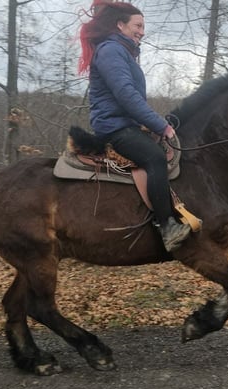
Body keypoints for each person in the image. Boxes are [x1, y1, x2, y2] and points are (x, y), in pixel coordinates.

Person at [79, 0, 191, 252]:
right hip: (114, 127)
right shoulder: (111, 50)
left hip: (124, 124)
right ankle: (167, 227)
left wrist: (150, 123)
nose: (142, 31)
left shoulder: (121, 51)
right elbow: (126, 95)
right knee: (155, 157)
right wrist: (160, 125)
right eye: (137, 25)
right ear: (120, 25)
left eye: (143, 26)